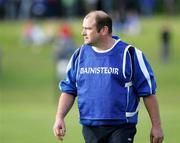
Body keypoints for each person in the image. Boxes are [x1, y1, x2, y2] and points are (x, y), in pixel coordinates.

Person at [53, 10, 164, 143]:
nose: (83, 33)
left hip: (121, 127)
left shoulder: (130, 54)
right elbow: (69, 90)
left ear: (104, 30)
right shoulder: (79, 55)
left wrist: (156, 126)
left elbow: (148, 93)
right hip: (90, 126)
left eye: (88, 28)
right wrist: (59, 117)